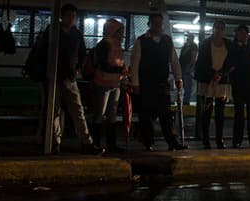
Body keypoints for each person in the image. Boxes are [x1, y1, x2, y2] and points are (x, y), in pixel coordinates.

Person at [34, 4, 98, 154]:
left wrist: (76, 69)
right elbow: (41, 53)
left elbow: (82, 54)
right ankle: (54, 142)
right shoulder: (52, 31)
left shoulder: (75, 34)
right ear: (62, 16)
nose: (71, 19)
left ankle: (86, 142)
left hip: (69, 78)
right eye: (69, 15)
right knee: (53, 112)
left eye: (73, 16)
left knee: (78, 111)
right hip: (53, 78)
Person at [130, 13, 185, 150]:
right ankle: (148, 142)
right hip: (145, 83)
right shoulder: (141, 41)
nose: (157, 25)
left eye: (159, 23)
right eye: (154, 23)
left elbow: (174, 61)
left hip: (161, 83)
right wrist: (135, 83)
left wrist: (178, 77)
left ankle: (172, 141)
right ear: (149, 24)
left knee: (165, 114)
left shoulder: (167, 40)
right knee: (146, 115)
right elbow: (135, 63)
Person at [85, 18, 128, 153]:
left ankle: (109, 144)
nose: (122, 35)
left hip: (115, 83)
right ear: (113, 31)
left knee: (112, 115)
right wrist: (120, 70)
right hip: (103, 83)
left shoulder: (116, 45)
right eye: (120, 32)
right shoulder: (104, 45)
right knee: (100, 114)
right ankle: (97, 143)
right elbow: (102, 64)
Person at [194, 20, 235, 148]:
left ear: (224, 30)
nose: (219, 30)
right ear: (213, 29)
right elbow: (201, 62)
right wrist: (212, 74)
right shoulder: (205, 43)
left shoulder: (229, 44)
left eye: (221, 28)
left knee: (220, 112)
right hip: (206, 82)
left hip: (222, 83)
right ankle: (205, 139)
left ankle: (219, 139)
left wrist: (222, 73)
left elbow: (231, 61)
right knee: (206, 111)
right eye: (217, 28)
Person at [179, 33, 199, 123]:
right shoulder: (185, 46)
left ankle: (186, 101)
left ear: (192, 38)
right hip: (183, 68)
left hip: (187, 68)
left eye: (189, 37)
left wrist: (190, 67)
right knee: (184, 85)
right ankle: (184, 100)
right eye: (187, 37)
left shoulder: (193, 46)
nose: (187, 38)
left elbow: (193, 58)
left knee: (188, 85)